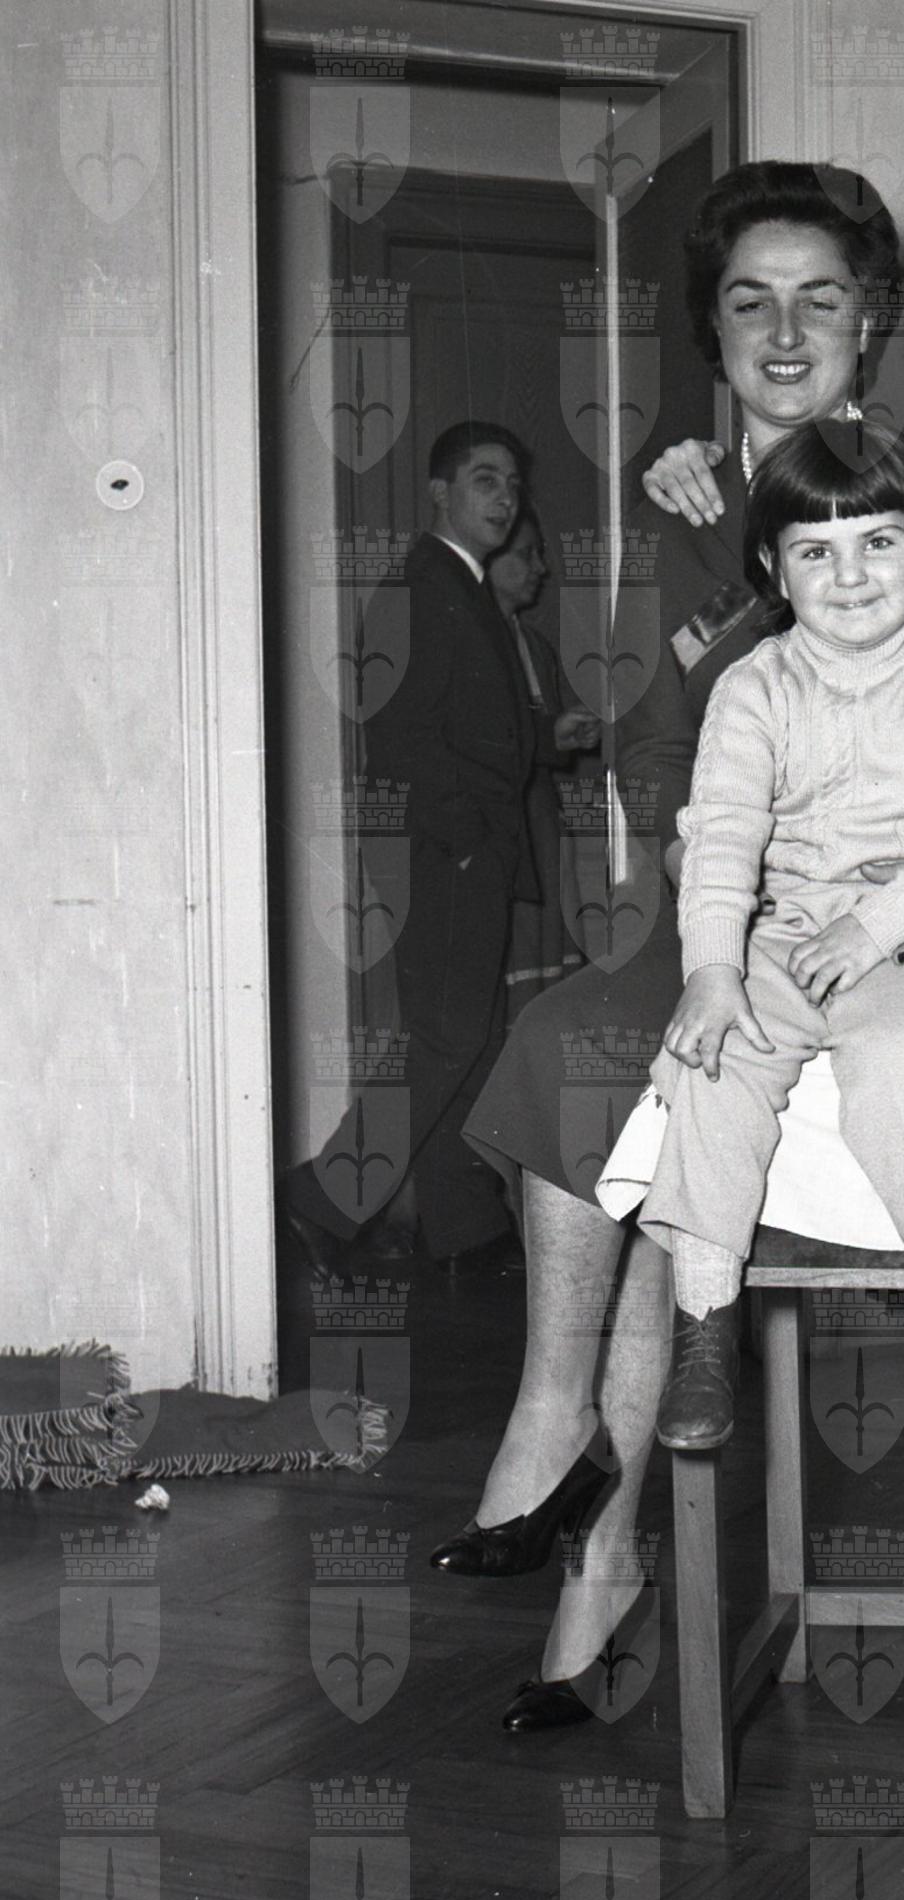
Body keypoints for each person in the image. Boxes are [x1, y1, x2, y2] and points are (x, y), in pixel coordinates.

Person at [439, 162, 904, 1732]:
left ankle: (592, 1524)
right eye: (748, 303)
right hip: (729, 904)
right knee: (581, 1038)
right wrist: (701, 884)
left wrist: (891, 908)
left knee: (615, 1060)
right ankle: (564, 1437)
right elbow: (656, 740)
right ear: (710, 331)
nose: (785, 333)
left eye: (819, 301)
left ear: (871, 324)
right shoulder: (688, 501)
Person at [641, 422, 904, 1451]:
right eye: (815, 551)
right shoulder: (752, 687)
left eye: (879, 542)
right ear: (774, 571)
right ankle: (702, 1329)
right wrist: (712, 971)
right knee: (712, 1063)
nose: (850, 575)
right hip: (777, 936)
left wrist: (879, 922)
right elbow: (721, 836)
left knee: (899, 1061)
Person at [281, 421, 542, 1277]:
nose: (504, 498)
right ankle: (320, 1199)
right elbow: (401, 737)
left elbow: (469, 727)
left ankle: (465, 1230)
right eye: (483, 480)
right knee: (446, 1039)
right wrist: (464, 842)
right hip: (444, 851)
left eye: (511, 483)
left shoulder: (461, 586)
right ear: (439, 493)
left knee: (468, 1037)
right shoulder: (423, 587)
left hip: (461, 849)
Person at [485, 502, 603, 1008]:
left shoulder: (533, 645)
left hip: (542, 824)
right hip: (500, 828)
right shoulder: (470, 640)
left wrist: (566, 735)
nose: (541, 567)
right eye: (526, 554)